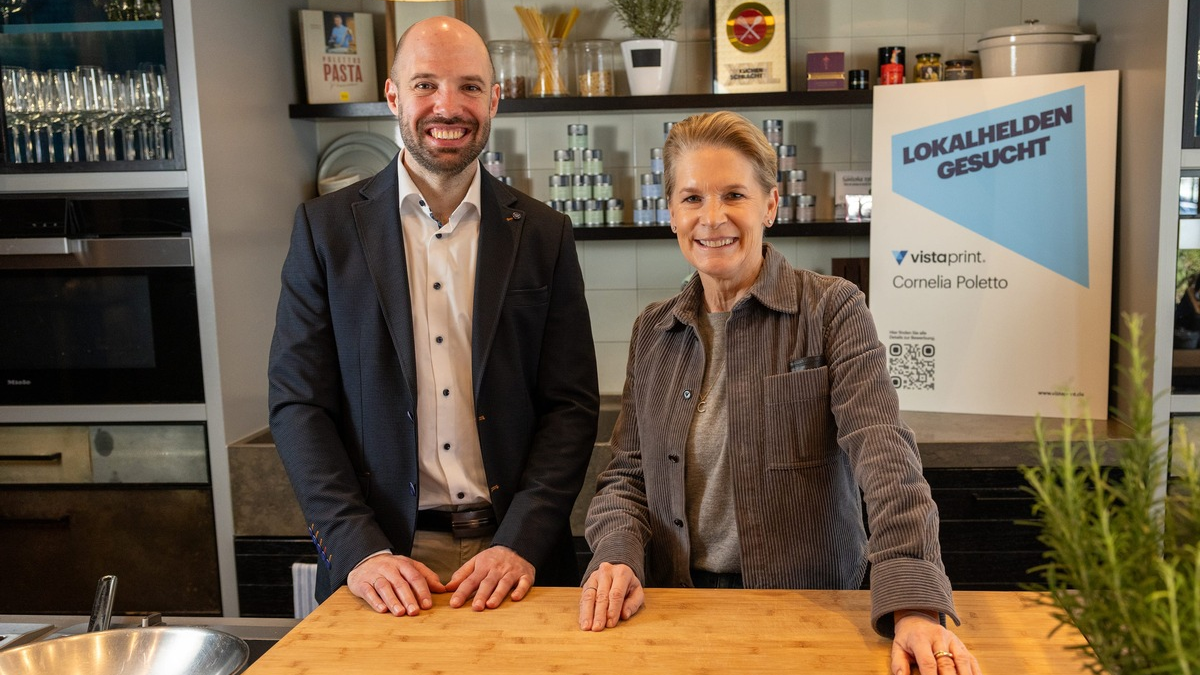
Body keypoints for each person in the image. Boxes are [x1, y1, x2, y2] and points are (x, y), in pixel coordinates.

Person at [578, 111, 982, 675]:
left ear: (770, 204)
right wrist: (616, 554)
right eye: (692, 198)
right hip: (675, 605)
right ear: (670, 213)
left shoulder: (832, 309)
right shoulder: (654, 331)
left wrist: (914, 604)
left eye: (733, 195)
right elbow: (626, 476)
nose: (711, 218)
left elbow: (884, 453)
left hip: (808, 609)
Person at [269, 16, 598, 618]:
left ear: (495, 98)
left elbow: (571, 407)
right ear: (393, 96)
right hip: (383, 571)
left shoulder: (546, 234)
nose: (448, 106)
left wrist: (522, 542)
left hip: (516, 568)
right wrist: (359, 549)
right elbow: (298, 405)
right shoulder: (325, 231)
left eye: (470, 87)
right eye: (425, 85)